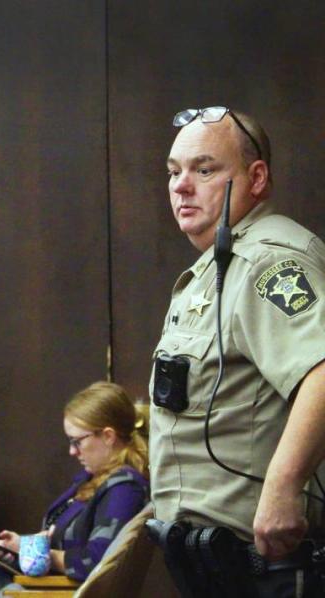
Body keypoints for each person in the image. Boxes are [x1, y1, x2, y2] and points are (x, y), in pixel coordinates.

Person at [151, 107, 325, 596]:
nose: (181, 186)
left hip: (264, 564)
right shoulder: (219, 266)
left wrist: (283, 487)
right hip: (214, 565)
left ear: (256, 178)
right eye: (173, 171)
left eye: (204, 169)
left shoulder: (267, 261)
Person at [0, 382, 149, 592]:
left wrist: (40, 554)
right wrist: (22, 545)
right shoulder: (93, 478)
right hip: (50, 587)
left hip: (63, 592)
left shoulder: (124, 489)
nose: (72, 452)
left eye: (77, 441)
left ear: (108, 436)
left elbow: (96, 562)